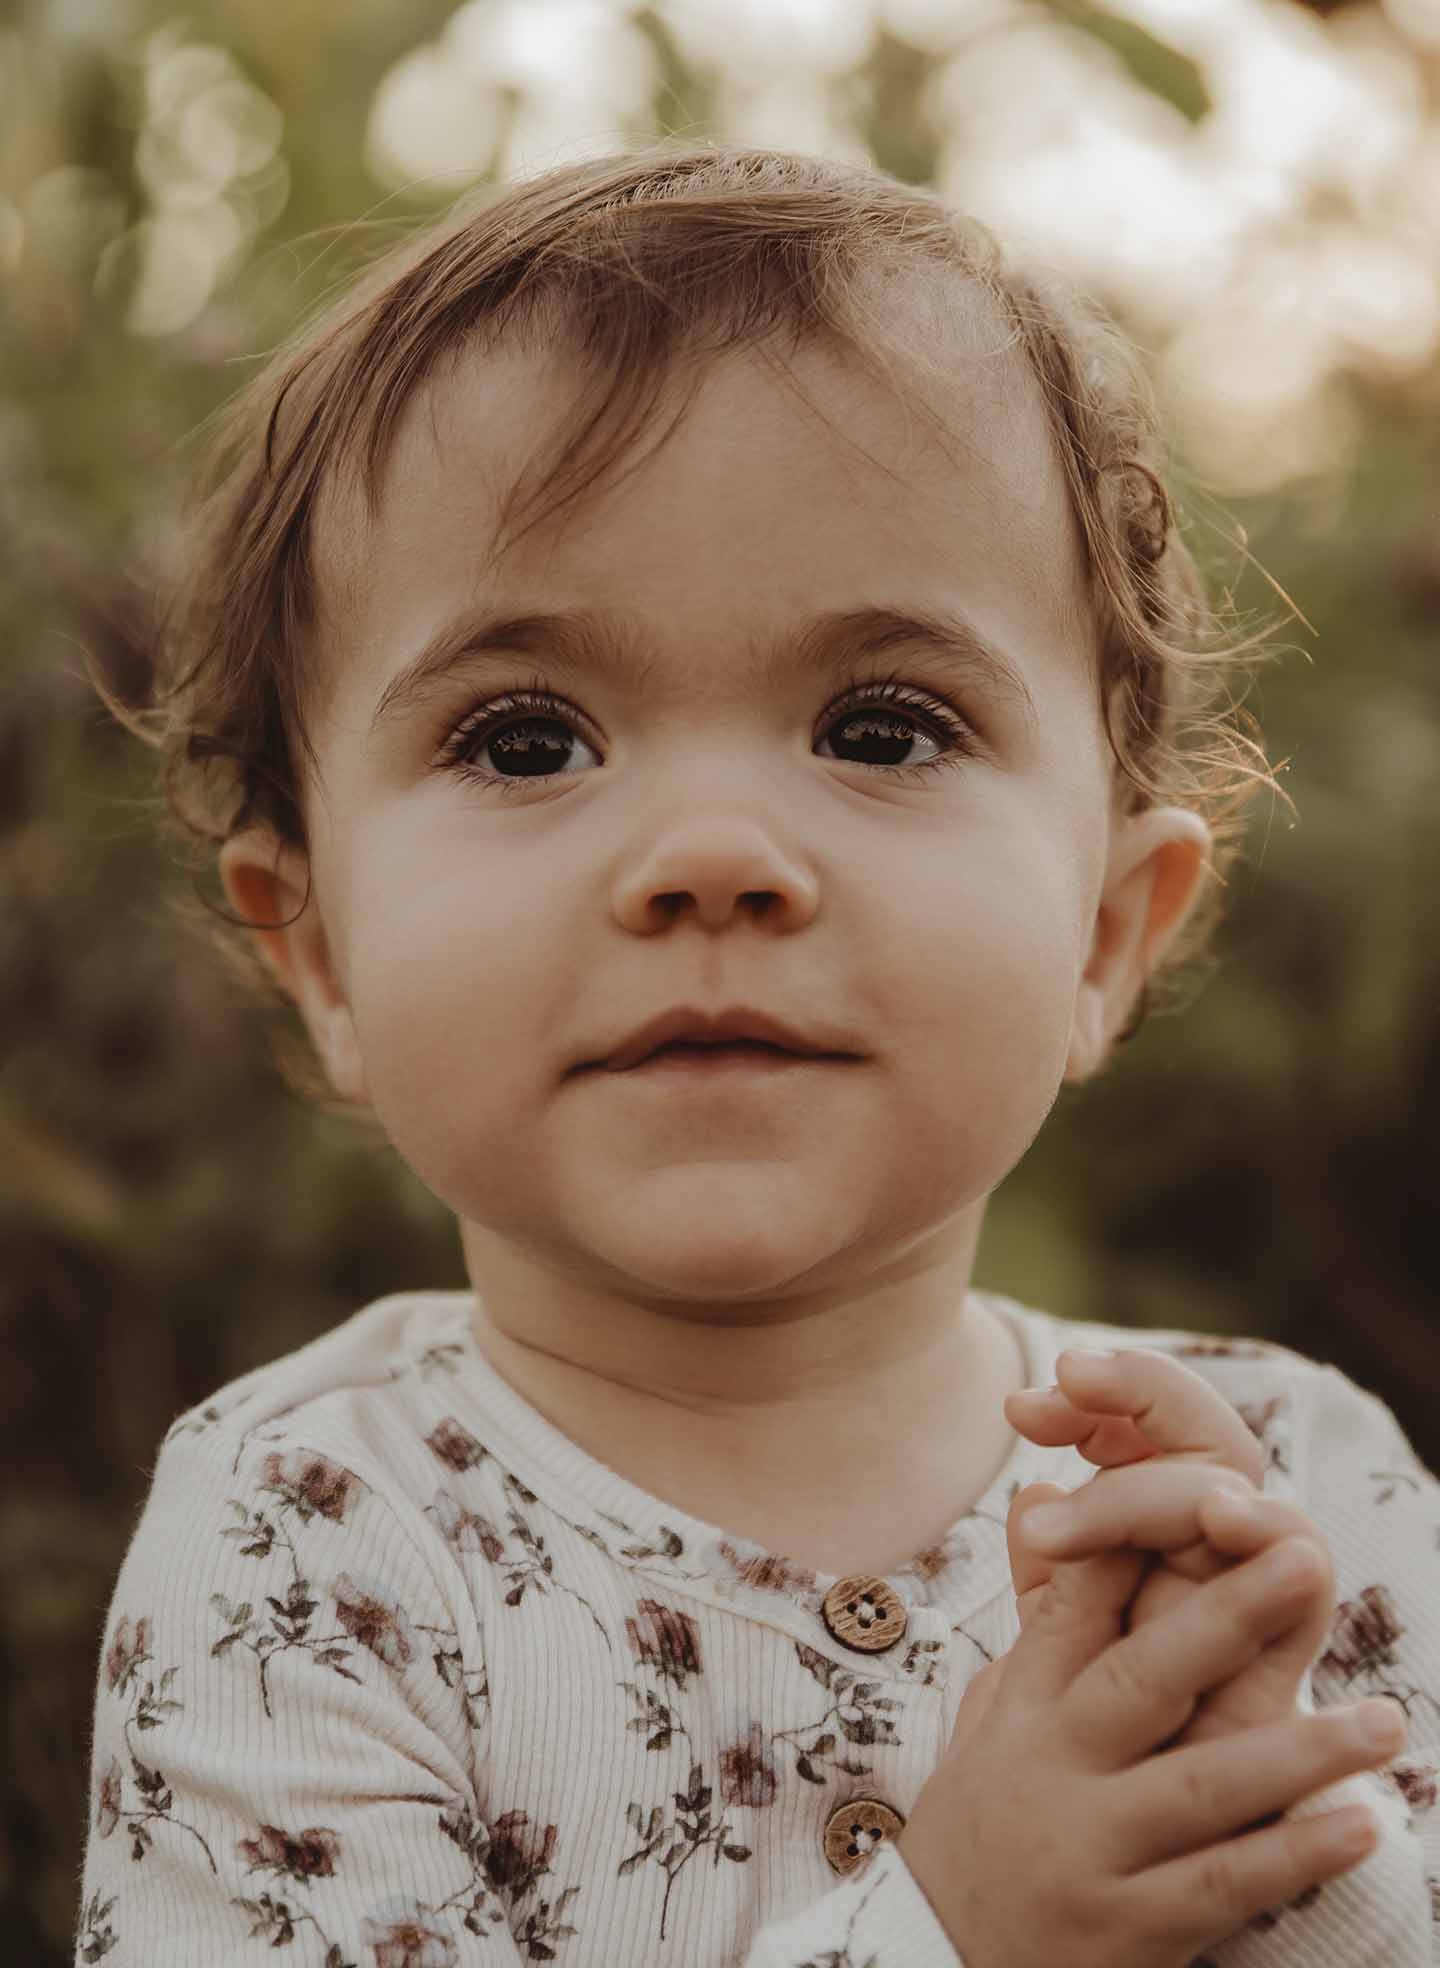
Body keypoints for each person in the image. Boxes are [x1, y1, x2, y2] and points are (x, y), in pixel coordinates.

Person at [74, 140, 1437, 1966]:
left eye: (881, 725)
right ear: (316, 946)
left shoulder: (1293, 1491)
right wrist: (959, 1931)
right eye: (527, 739)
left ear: (1109, 933)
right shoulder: (311, 1541)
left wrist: (1293, 1820)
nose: (713, 854)